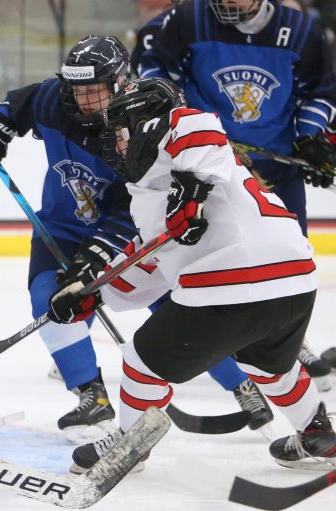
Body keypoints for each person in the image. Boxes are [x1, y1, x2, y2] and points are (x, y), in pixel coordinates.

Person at [0, 35, 274, 440]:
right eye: (78, 90)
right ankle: (91, 397)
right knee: (50, 297)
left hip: (137, 238)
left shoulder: (143, 124)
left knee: (177, 313)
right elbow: (19, 104)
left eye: (95, 90)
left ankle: (241, 385)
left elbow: (135, 206)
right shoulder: (57, 101)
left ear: (122, 81)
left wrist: (95, 256)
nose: (85, 100)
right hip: (62, 229)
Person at [49, 77, 331, 472]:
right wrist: (94, 293)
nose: (117, 143)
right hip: (294, 284)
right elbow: (149, 262)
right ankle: (316, 432)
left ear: (144, 121)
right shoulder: (150, 193)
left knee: (142, 360)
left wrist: (192, 188)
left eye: (121, 131)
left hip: (232, 281)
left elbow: (197, 126)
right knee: (269, 366)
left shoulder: (182, 131)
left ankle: (130, 446)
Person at [139, 0, 336, 390]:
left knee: (288, 256)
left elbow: (322, 90)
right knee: (210, 251)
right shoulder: (188, 19)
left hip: (278, 169)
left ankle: (288, 343)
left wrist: (309, 136)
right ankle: (218, 339)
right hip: (209, 164)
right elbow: (154, 72)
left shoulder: (300, 30)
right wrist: (189, 127)